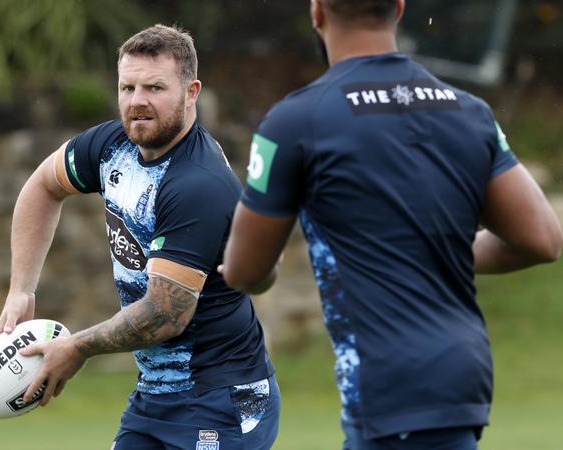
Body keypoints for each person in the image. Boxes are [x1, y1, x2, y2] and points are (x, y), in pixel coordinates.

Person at [220, 1, 562, 449]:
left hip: (390, 383)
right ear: (399, 9)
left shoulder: (296, 121)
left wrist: (260, 271)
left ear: (317, 11)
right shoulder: (469, 110)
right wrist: (436, 250)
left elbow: (245, 270)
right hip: (462, 375)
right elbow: (543, 238)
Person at [0, 24, 279, 450]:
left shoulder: (197, 183)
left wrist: (77, 348)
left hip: (223, 400)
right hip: (154, 398)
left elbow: (165, 313)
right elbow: (42, 187)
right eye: (128, 87)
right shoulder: (111, 145)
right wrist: (20, 290)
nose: (137, 101)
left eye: (155, 87)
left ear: (191, 92)